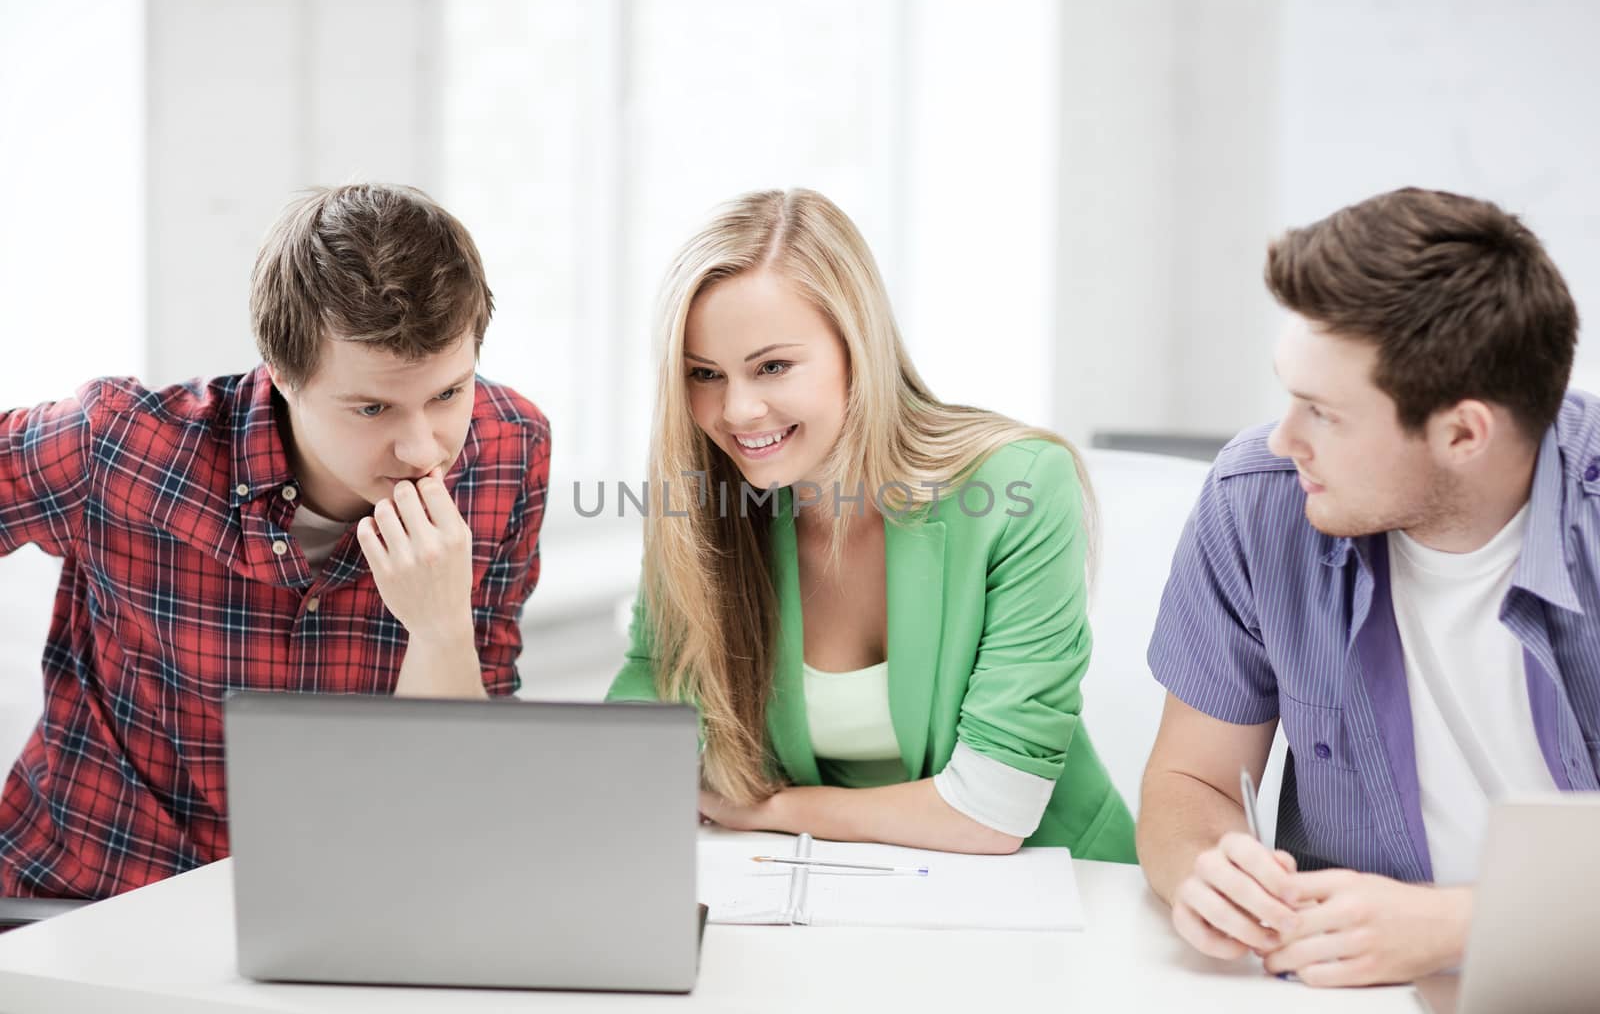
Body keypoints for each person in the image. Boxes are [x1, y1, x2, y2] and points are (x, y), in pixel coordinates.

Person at [0, 184, 550, 900]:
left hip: (332, 918)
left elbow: (454, 798)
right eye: (373, 406)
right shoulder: (121, 446)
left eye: (448, 393)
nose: (422, 447)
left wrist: (440, 629)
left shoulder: (509, 453)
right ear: (283, 375)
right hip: (82, 899)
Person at [1138, 187, 1598, 986]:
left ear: (1462, 432)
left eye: (1323, 412)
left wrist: (1459, 924)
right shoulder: (1259, 500)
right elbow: (1190, 781)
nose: (1285, 439)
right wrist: (1209, 868)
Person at [607, 188, 1133, 860]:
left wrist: (772, 809)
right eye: (705, 374)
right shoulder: (704, 503)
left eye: (773, 365)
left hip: (1061, 892)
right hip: (830, 896)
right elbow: (640, 733)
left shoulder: (1020, 487)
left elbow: (992, 810)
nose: (736, 410)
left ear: (858, 349)